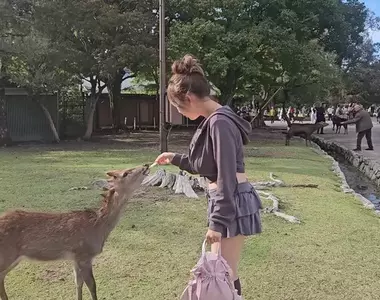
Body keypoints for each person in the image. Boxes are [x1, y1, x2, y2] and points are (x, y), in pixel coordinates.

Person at [154, 55, 262, 297]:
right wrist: (174, 158)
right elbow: (204, 164)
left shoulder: (220, 123)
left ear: (190, 99)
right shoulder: (213, 120)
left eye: (179, 107)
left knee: (225, 274)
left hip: (231, 200)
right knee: (219, 272)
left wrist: (217, 222)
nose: (179, 112)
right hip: (225, 198)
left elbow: (226, 176)